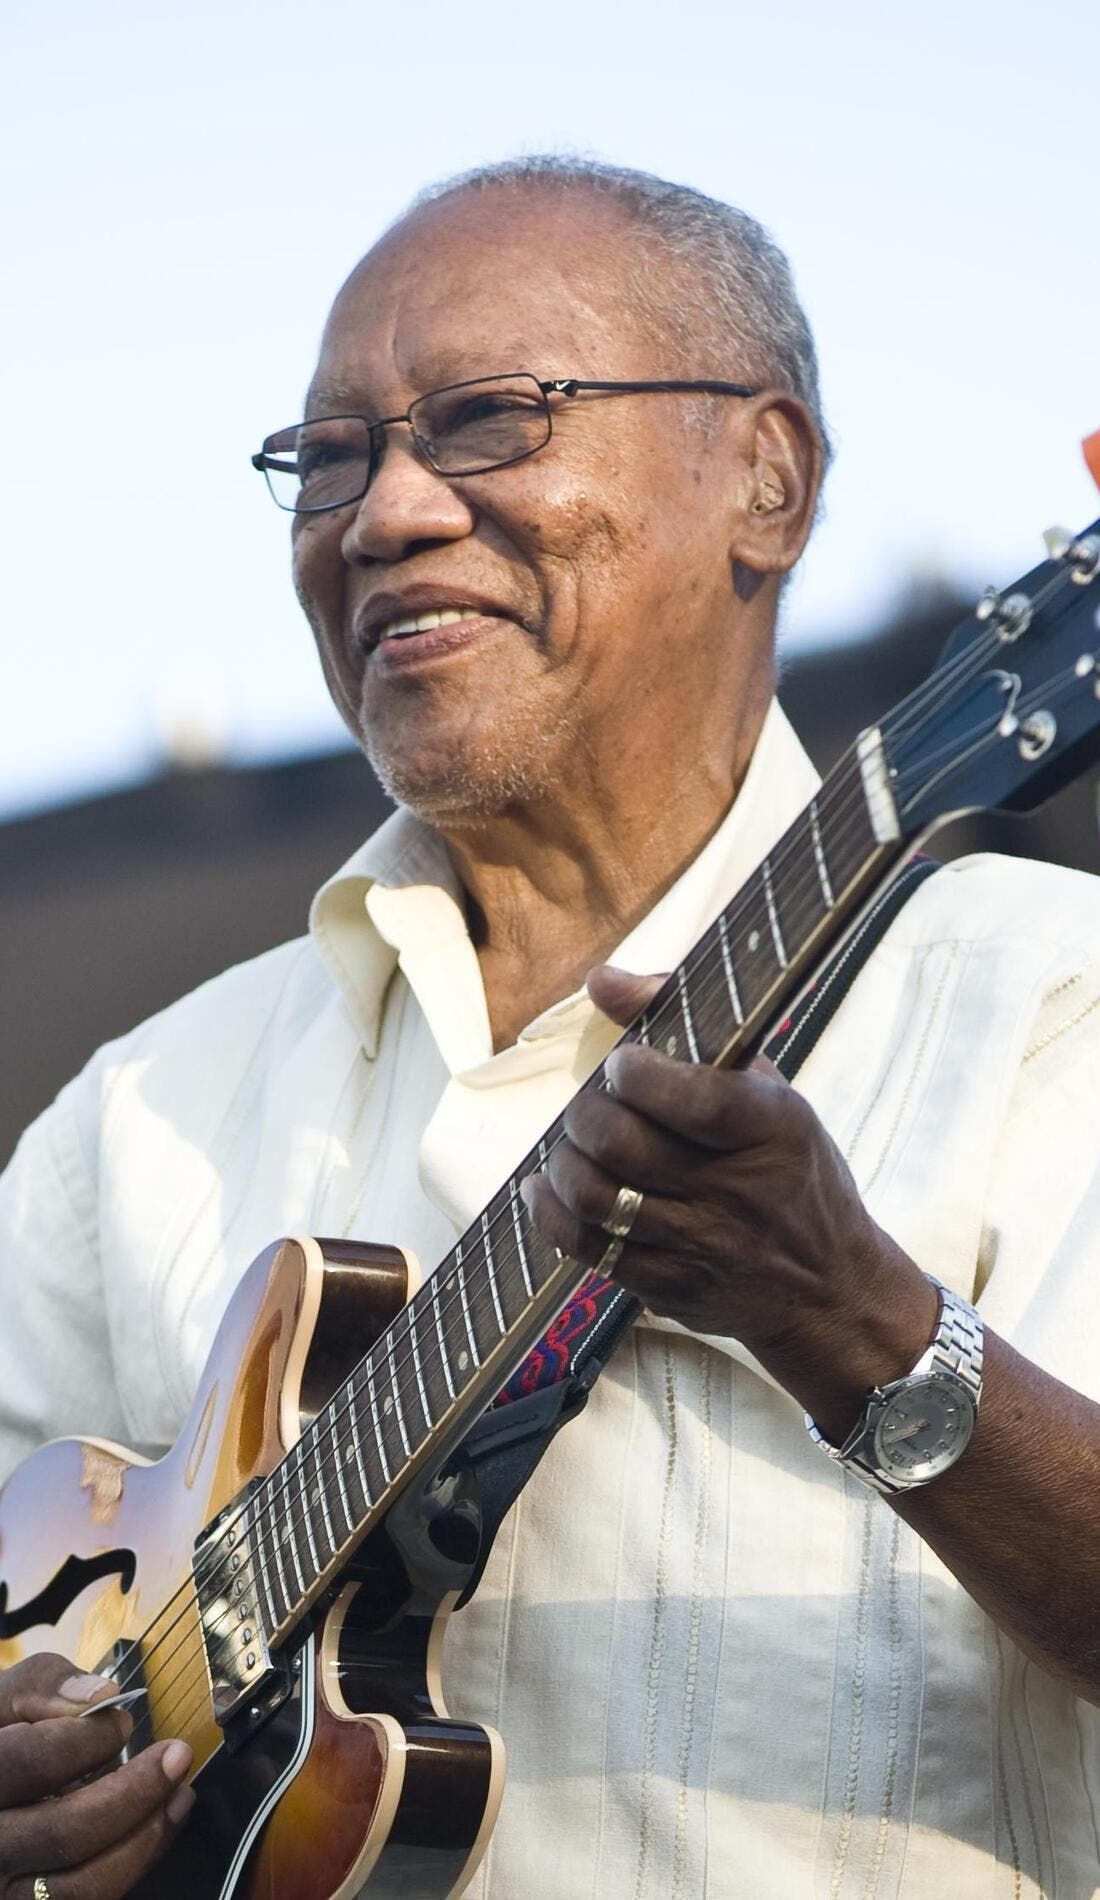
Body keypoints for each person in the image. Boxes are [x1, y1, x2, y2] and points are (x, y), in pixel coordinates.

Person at [2, 155, 1100, 1900]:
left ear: (770, 479)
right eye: (331, 456)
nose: (386, 513)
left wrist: (865, 1327)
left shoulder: (1058, 998)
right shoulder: (134, 1117)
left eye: (491, 420)